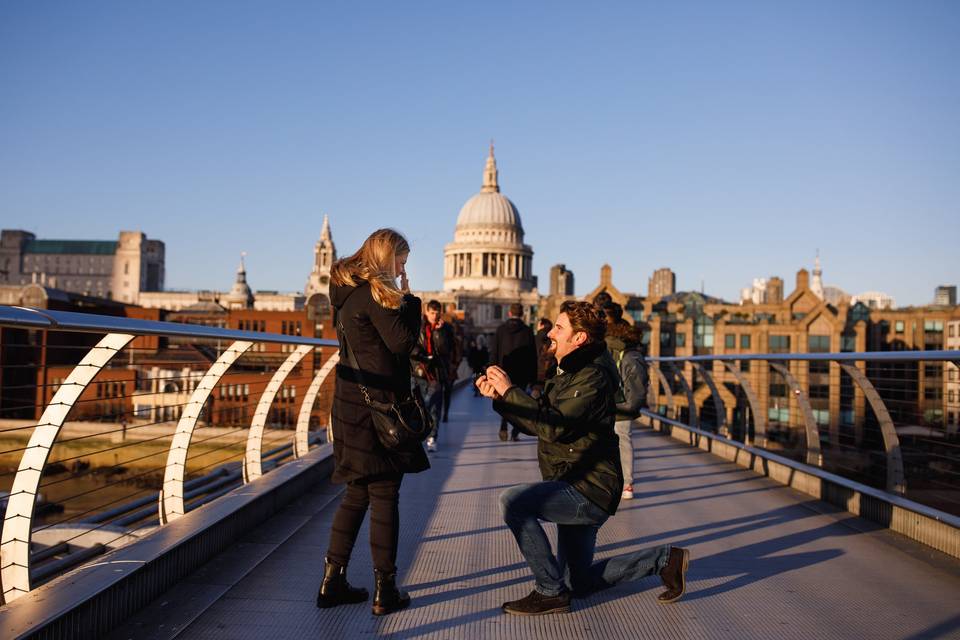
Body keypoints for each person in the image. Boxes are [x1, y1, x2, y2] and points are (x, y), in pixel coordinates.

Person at [476, 300, 689, 615]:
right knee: (578, 582)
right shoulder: (567, 371)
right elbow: (541, 424)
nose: (551, 334)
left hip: (588, 486)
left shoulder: (591, 376)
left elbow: (555, 426)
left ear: (578, 338)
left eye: (559, 328)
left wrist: (511, 392)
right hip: (572, 478)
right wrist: (502, 399)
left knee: (514, 502)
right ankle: (665, 561)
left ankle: (548, 592)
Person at [318, 228, 429, 616]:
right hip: (380, 407)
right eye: (400, 261)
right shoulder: (375, 294)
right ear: (386, 257)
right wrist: (412, 302)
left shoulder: (346, 293)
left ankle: (332, 581)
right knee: (384, 496)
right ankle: (386, 589)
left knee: (356, 493)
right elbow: (402, 343)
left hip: (350, 403)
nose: (402, 269)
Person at [605, 321, 650, 499]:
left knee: (607, 442)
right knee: (623, 440)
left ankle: (610, 483)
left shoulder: (609, 350)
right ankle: (627, 484)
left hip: (611, 404)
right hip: (625, 405)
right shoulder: (634, 355)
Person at [413, 299, 456, 452]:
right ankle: (419, 433)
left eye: (437, 314)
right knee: (420, 404)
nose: (434, 317)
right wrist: (422, 357)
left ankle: (432, 436)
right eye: (432, 313)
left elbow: (447, 350)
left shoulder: (446, 329)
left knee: (434, 406)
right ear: (426, 312)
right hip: (419, 370)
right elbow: (412, 346)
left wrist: (439, 332)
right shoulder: (418, 326)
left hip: (436, 372)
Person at [490, 302, 537, 441]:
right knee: (519, 401)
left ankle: (503, 427)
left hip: (504, 372)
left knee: (505, 400)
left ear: (509, 313)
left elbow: (495, 351)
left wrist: (491, 371)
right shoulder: (528, 331)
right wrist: (532, 377)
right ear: (522, 314)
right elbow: (532, 356)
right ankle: (516, 430)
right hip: (522, 373)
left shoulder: (501, 330)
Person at [532, 318, 556, 396]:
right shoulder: (554, 341)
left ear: (542, 326)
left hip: (536, 375)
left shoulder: (534, 338)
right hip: (551, 374)